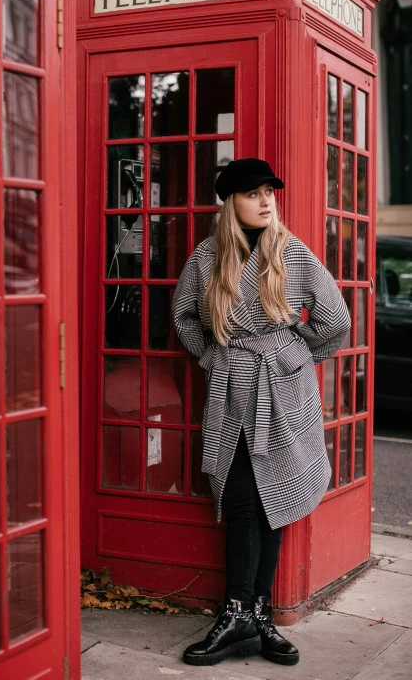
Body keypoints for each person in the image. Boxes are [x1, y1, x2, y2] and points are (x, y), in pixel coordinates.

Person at [172, 158, 351, 668]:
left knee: (274, 501)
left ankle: (256, 615)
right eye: (253, 193)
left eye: (270, 190)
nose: (267, 200)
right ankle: (240, 616)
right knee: (244, 499)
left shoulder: (292, 252)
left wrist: (294, 356)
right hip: (234, 386)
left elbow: (336, 320)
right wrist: (213, 358)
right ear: (231, 204)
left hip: (282, 389)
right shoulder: (207, 258)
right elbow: (184, 316)